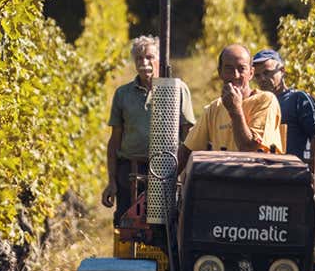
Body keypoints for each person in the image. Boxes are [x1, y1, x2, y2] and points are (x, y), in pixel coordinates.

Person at [102, 35, 194, 227]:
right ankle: (129, 257)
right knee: (128, 225)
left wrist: (186, 177)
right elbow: (114, 141)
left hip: (166, 172)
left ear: (160, 60)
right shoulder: (123, 94)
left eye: (150, 57)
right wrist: (111, 181)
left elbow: (189, 136)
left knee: (165, 227)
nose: (144, 63)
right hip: (130, 171)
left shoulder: (177, 90)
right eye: (139, 58)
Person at [178, 44, 282, 171]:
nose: (235, 75)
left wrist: (235, 109)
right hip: (223, 184)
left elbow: (248, 148)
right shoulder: (214, 108)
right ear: (220, 72)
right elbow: (186, 151)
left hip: (257, 183)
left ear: (251, 73)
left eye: (241, 69)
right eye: (228, 69)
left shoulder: (265, 100)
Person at [252, 48, 315, 162]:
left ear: (282, 71)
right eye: (257, 76)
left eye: (267, 73)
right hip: (264, 174)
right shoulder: (257, 104)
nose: (262, 79)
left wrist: (312, 170)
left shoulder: (298, 99)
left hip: (294, 173)